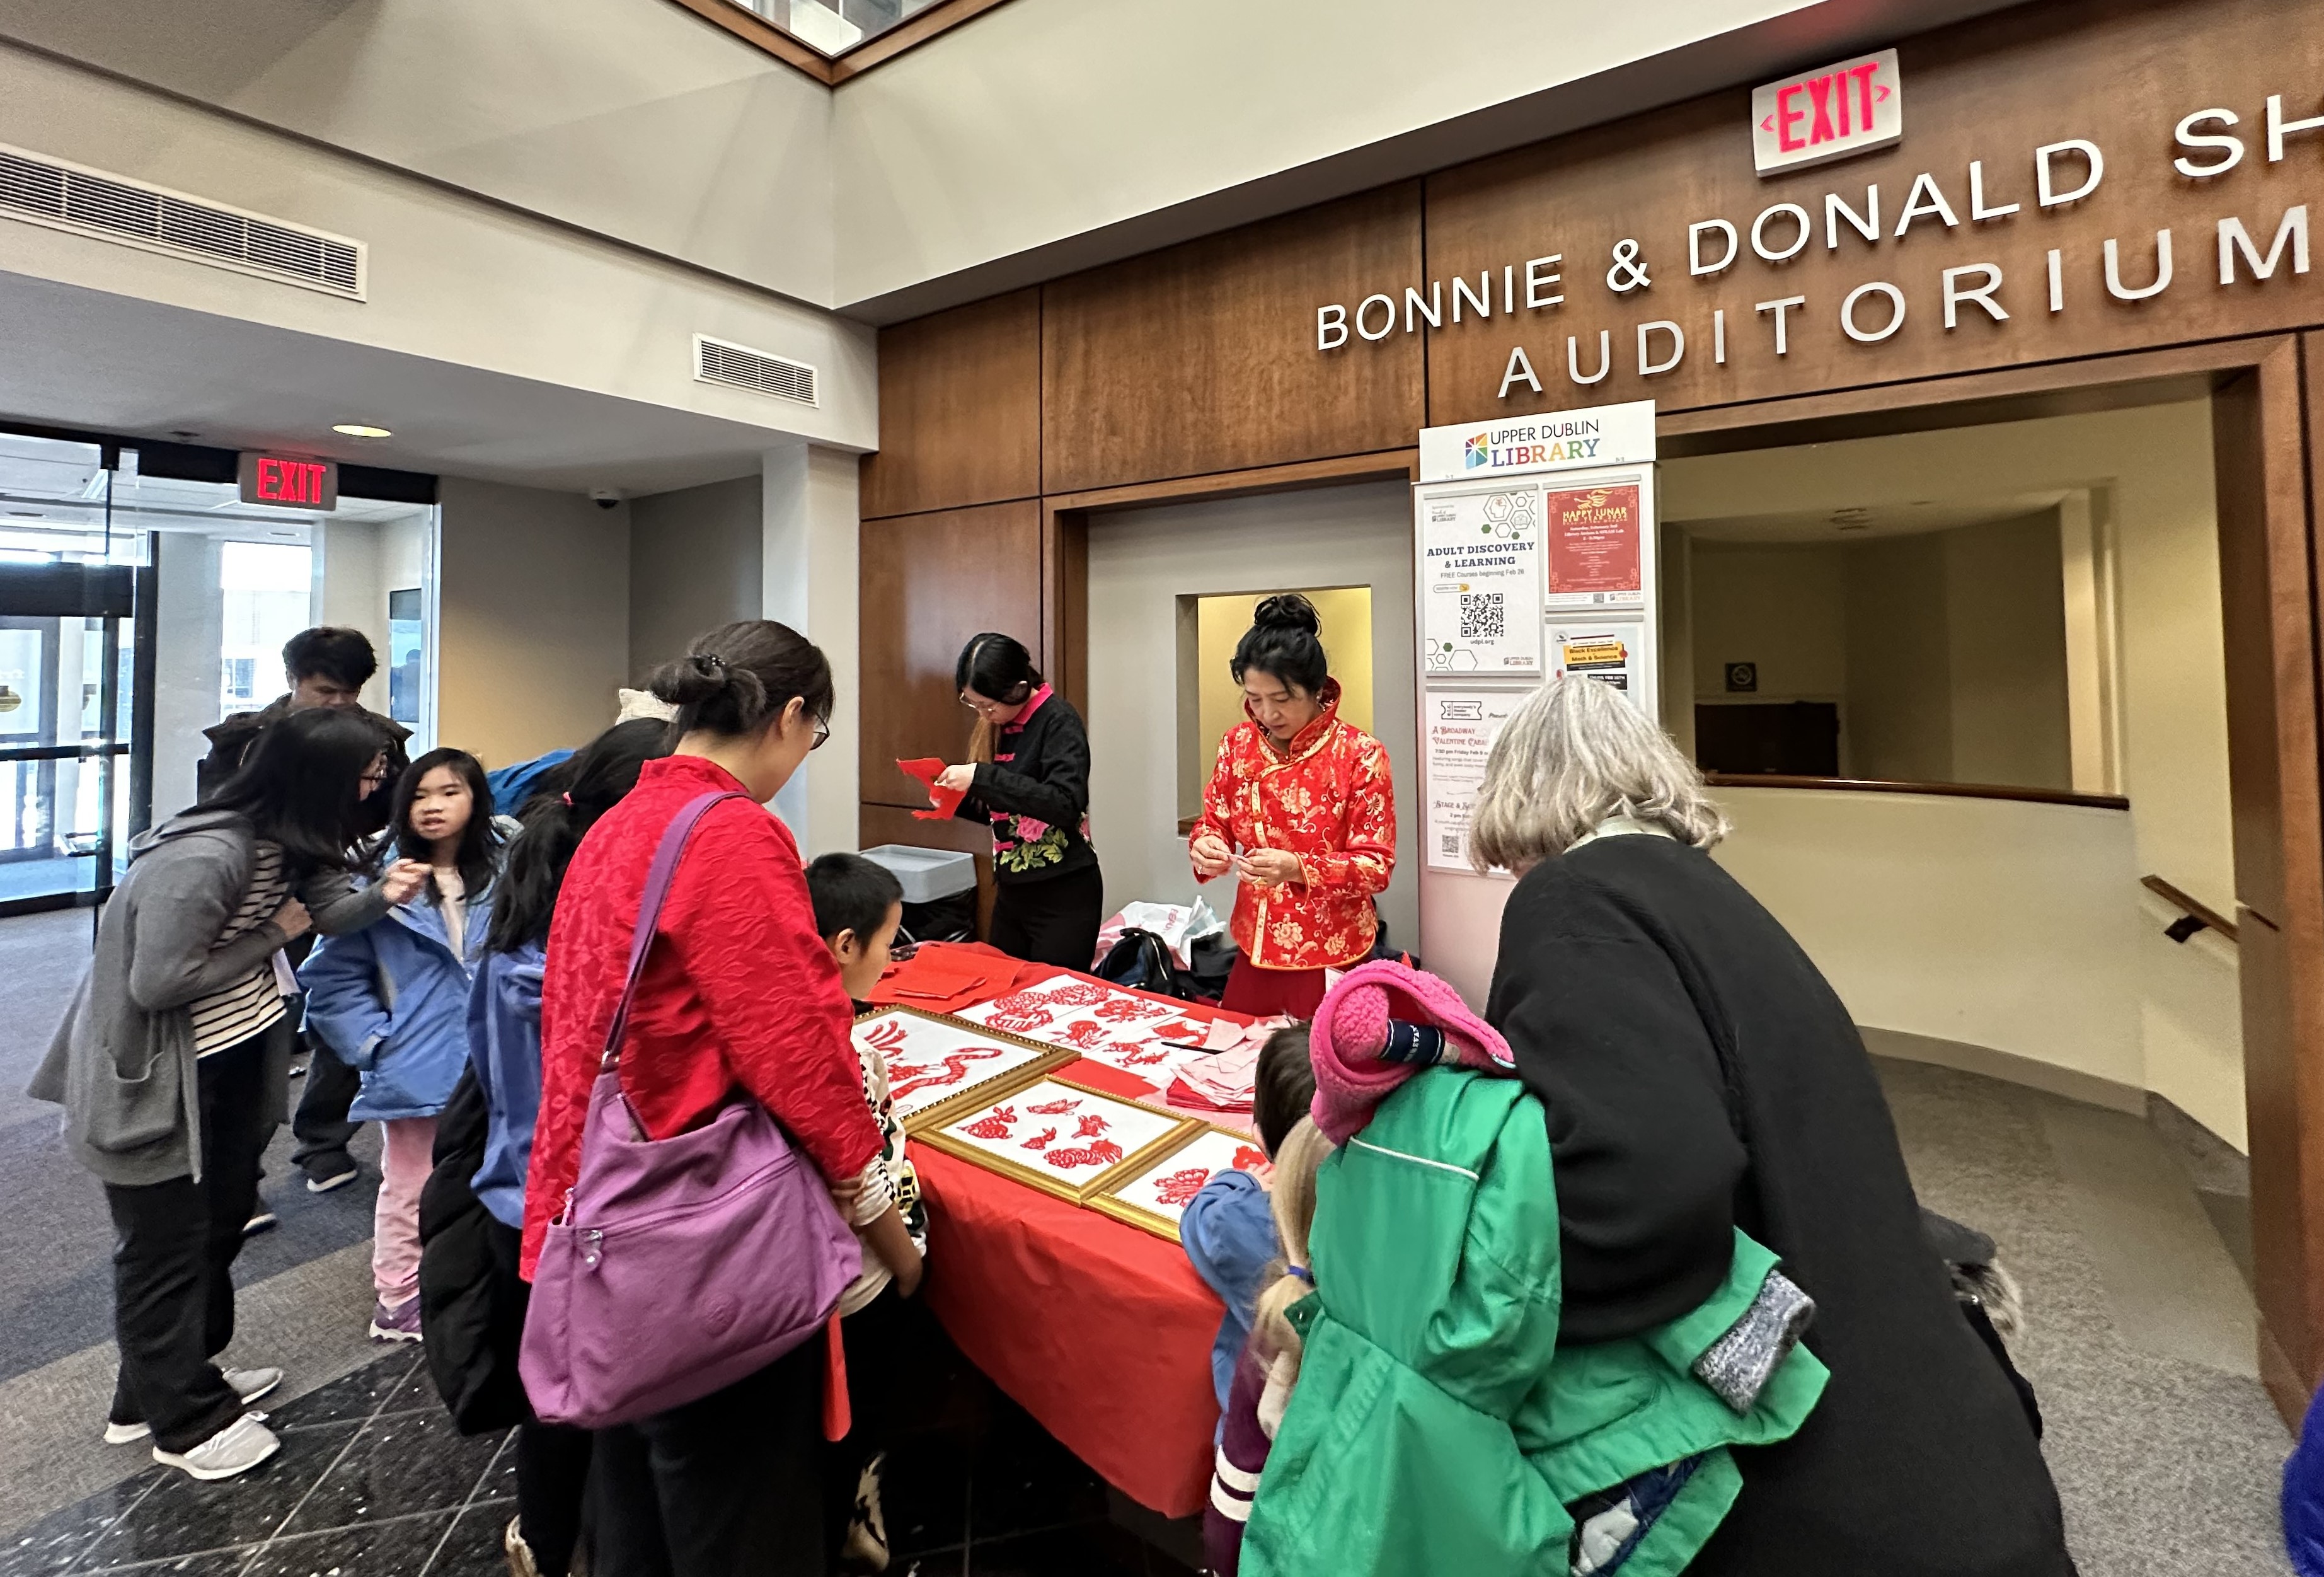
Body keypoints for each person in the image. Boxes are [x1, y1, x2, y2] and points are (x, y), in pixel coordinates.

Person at [1466, 674, 2077, 1577]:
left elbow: (1641, 1196)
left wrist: (1486, 1304)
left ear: (1518, 791)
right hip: (1943, 1455)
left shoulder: (1573, 900)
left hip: (1830, 1496)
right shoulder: (1702, 893)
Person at [525, 621, 886, 1577]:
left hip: (614, 1215)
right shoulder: (730, 832)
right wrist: (859, 1171)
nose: (806, 759)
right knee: (740, 1513)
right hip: (705, 1230)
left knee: (639, 1503)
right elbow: (794, 1040)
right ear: (794, 716)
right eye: (815, 738)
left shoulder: (616, 824)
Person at [29, 708, 424, 1481]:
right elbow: (159, 981)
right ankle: (184, 1424)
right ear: (320, 782)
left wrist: (386, 890)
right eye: (370, 777)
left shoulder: (287, 842)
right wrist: (273, 934)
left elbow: (327, 910)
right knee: (164, 1250)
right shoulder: (208, 856)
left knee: (215, 1231)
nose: (379, 788)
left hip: (233, 1062)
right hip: (161, 1080)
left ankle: (162, 1386)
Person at [458, 719, 673, 1577]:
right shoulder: (584, 955)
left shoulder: (519, 913)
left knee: (556, 1406)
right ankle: (553, 1545)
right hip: (569, 1206)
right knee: (578, 1407)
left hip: (516, 1197)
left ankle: (547, 1540)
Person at [200, 626, 416, 1198]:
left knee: (343, 1017)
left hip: (345, 886)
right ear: (293, 680)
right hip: (260, 901)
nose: (341, 705)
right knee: (255, 1034)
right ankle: (236, 1179)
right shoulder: (243, 741)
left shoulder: (382, 741)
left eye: (351, 693)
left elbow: (397, 813)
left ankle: (322, 1141)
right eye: (326, 692)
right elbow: (224, 820)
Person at [302, 748, 509, 1345]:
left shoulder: (502, 872)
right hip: (416, 1061)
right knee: (411, 1183)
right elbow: (332, 978)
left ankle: (472, 1278)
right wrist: (373, 1044)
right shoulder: (377, 883)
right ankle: (399, 1296)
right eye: (420, 796)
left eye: (450, 793)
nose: (434, 807)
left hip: (495, 1056)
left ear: (476, 801)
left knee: (492, 1169)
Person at [804, 851, 931, 1573]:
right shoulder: (836, 1047)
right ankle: (854, 1503)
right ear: (846, 946)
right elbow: (858, 1179)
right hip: (863, 1276)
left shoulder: (826, 1025)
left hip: (853, 1268)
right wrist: (908, 1263)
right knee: (856, 1409)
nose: (896, 957)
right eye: (890, 941)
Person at [1187, 594, 1396, 1019]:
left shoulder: (1359, 754)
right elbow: (1215, 822)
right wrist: (1206, 844)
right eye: (1255, 698)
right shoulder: (1237, 744)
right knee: (1237, 1069)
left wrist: (1297, 867)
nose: (1268, 713)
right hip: (1254, 945)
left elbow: (1376, 867)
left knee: (1313, 1073)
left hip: (1330, 950)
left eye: (1282, 699)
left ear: (1318, 689)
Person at [932, 633, 1104, 969]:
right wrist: (956, 800)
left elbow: (1064, 803)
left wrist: (982, 777)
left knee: (1054, 999)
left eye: (988, 705)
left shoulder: (1058, 720)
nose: (983, 713)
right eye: (975, 704)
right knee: (1002, 992)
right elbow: (1013, 814)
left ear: (1018, 689)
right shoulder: (1003, 725)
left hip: (1062, 892)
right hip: (1013, 891)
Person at [1179, 1024, 1314, 1416]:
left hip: (1259, 1442)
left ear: (1261, 1136)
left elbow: (1199, 1217)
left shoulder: (1244, 1219)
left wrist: (1240, 1180)